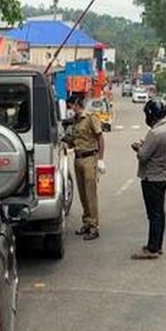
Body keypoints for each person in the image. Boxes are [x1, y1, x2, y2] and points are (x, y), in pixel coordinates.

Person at [130, 99, 166, 260]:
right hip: (163, 175)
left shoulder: (155, 133)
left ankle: (152, 249)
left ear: (151, 114)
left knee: (154, 215)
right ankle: (157, 244)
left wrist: (138, 147)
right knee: (160, 214)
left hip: (152, 178)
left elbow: (143, 156)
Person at [64, 97, 105, 241]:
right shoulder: (75, 120)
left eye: (71, 106)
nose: (70, 109)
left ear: (77, 105)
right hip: (78, 158)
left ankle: (94, 226)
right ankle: (87, 222)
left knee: (90, 194)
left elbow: (100, 137)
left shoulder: (90, 118)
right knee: (82, 194)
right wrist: (64, 139)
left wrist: (100, 159)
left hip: (89, 159)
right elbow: (73, 140)